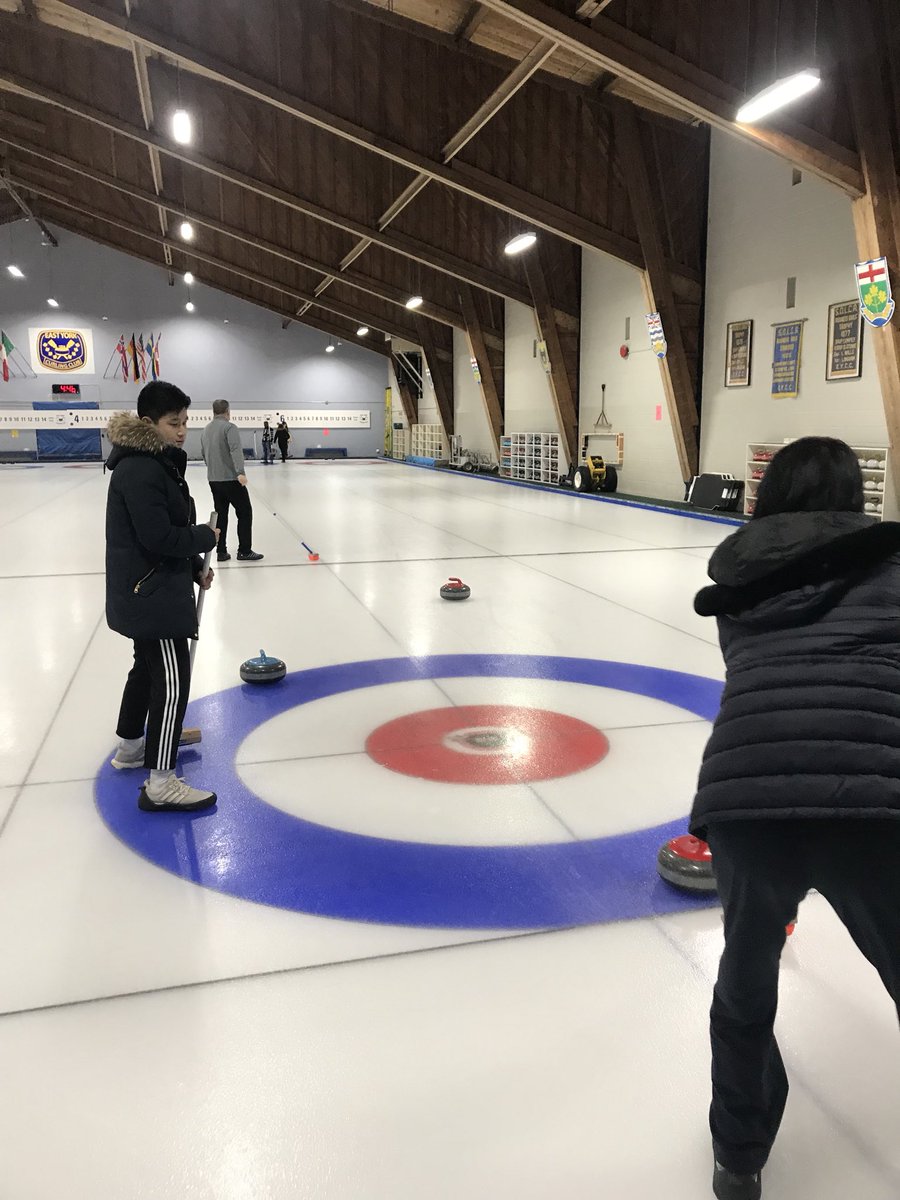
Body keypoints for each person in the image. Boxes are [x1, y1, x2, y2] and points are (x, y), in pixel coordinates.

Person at [689, 436, 900, 1200]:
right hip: (873, 798)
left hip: (748, 800)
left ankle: (737, 1160)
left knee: (745, 990)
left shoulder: (738, 583)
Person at [105, 380, 219, 812]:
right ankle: (161, 779)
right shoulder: (141, 469)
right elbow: (156, 537)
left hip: (149, 586)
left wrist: (192, 568)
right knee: (172, 683)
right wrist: (202, 536)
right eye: (174, 423)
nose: (182, 431)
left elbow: (153, 536)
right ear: (148, 422)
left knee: (146, 671)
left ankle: (132, 746)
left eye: (186, 422)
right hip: (153, 597)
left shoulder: (155, 463)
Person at [201, 398, 263, 563]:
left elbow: (204, 453)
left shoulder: (206, 429)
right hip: (231, 479)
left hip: (214, 479)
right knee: (245, 512)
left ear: (213, 412)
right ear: (228, 411)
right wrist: (240, 472)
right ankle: (244, 550)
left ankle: (221, 551)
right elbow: (236, 450)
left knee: (221, 515)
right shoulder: (229, 427)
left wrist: (213, 469)